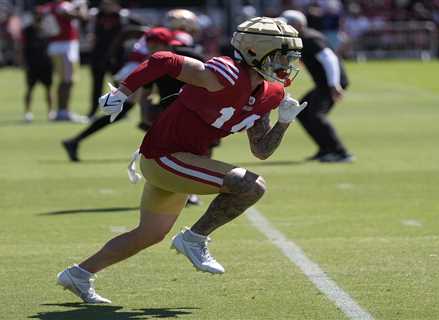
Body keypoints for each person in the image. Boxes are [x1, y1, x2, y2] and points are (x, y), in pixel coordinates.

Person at [57, 16, 306, 304]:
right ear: (253, 52)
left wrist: (284, 123)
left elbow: (261, 150)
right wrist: (122, 92)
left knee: (148, 234)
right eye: (281, 56)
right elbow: (163, 59)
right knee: (252, 186)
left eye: (290, 58)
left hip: (182, 163)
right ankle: (195, 238)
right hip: (164, 156)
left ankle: (79, 274)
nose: (287, 65)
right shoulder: (225, 75)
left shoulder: (271, 92)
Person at [61, 27, 179, 162]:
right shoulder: (159, 41)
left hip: (131, 71)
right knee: (138, 111)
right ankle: (75, 141)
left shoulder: (150, 36)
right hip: (136, 72)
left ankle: (75, 141)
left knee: (125, 112)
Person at [281, 10, 353, 163]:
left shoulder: (309, 38)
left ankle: (340, 152)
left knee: (316, 116)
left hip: (331, 83)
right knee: (302, 112)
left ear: (299, 25)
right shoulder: (303, 38)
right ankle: (325, 149)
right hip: (324, 83)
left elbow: (330, 59)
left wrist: (334, 85)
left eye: (288, 24)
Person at [38, 0, 88, 122]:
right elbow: (82, 17)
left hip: (59, 45)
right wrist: (81, 6)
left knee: (66, 80)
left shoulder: (48, 6)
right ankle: (63, 111)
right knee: (67, 80)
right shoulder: (62, 5)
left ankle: (62, 111)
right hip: (64, 45)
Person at [85, 0, 132, 119]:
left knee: (119, 85)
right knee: (97, 84)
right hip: (98, 54)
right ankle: (93, 111)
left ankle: (121, 111)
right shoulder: (95, 15)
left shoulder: (122, 15)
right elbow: (88, 29)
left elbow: (132, 30)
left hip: (117, 55)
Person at [21, 12, 53, 122]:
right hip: (32, 64)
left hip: (45, 64)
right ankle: (27, 112)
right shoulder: (27, 31)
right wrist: (23, 62)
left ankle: (50, 112)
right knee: (30, 89)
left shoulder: (47, 30)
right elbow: (22, 46)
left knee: (48, 89)